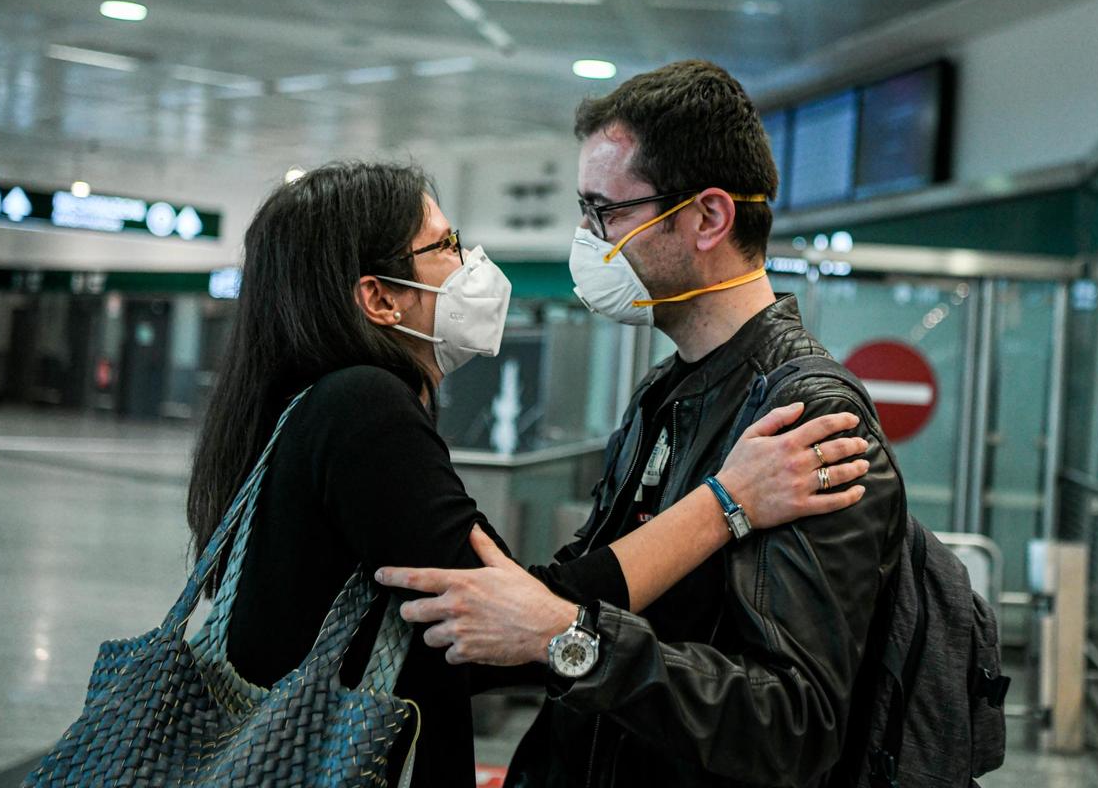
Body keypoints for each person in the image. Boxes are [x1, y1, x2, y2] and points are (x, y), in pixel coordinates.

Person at [185, 161, 868, 788]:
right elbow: (500, 623)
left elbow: (500, 617)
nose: (469, 263)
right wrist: (729, 500)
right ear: (379, 298)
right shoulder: (362, 406)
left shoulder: (303, 406)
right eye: (445, 245)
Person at [375, 60, 907, 787]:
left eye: (607, 212)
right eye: (584, 211)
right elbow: (595, 593)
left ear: (709, 217)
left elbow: (795, 724)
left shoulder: (805, 418)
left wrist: (573, 641)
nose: (588, 239)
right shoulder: (666, 390)